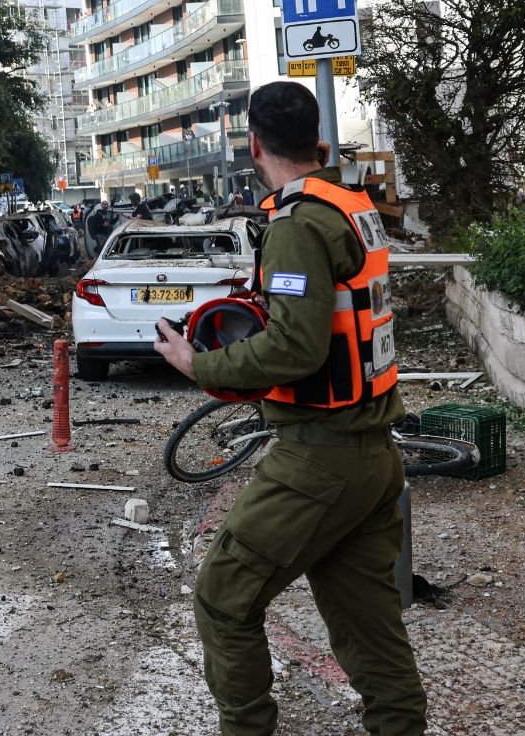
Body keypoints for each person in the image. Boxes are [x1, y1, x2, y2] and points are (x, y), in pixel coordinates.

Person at [152, 81, 425, 736]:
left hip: (319, 460)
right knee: (370, 634)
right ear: (316, 141)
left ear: (255, 145)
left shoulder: (298, 223)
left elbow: (297, 347)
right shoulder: (350, 203)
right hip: (370, 456)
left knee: (221, 600)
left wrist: (201, 364)